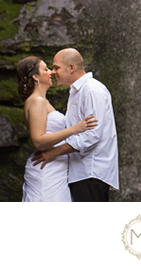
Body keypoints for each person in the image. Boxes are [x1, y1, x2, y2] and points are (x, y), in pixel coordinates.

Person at [32, 48, 119, 201]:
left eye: (56, 67)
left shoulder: (92, 90)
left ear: (71, 67)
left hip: (91, 172)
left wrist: (54, 152)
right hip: (80, 173)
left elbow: (92, 135)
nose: (53, 72)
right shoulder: (77, 92)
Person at [16, 56, 98, 202]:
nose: (51, 72)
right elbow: (38, 140)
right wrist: (74, 129)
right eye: (46, 69)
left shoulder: (41, 100)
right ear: (36, 76)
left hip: (56, 169)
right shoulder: (36, 101)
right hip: (47, 170)